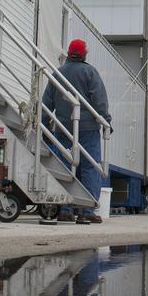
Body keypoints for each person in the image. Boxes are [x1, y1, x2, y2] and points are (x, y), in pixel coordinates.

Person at [42, 38, 111, 224]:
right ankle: (86, 210)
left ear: (68, 54)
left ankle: (65, 209)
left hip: (63, 128)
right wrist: (106, 121)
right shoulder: (90, 72)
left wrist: (42, 124)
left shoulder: (58, 73)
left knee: (65, 166)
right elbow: (99, 101)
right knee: (90, 167)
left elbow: (47, 102)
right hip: (88, 128)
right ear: (84, 54)